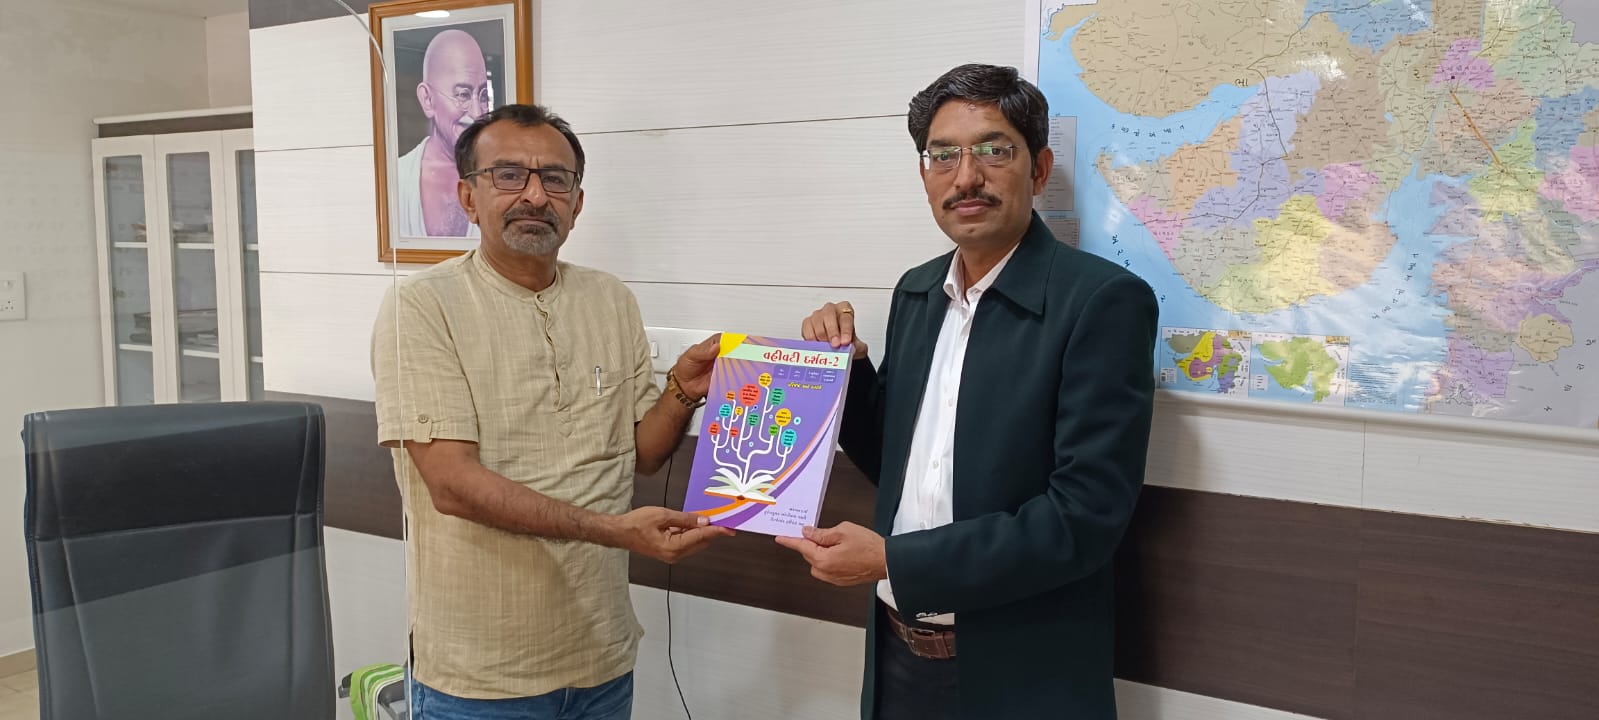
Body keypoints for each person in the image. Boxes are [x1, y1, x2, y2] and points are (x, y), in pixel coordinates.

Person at [777, 64, 1159, 719]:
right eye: (943, 155)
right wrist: (846, 370)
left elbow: (1084, 518)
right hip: (897, 653)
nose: (966, 177)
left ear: (1038, 170)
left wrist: (894, 561)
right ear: (924, 173)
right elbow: (896, 459)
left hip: (1022, 667)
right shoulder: (917, 290)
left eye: (993, 151)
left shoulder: (1101, 301)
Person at [371, 103, 734, 720]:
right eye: (509, 175)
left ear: (577, 202)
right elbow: (452, 486)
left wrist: (682, 388)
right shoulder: (423, 308)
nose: (535, 196)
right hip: (481, 676)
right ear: (468, 197)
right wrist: (615, 531)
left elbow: (642, 453)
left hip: (602, 657)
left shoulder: (609, 298)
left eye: (555, 179)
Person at [396, 29, 488, 238]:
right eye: (463, 94)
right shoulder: (398, 180)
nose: (477, 113)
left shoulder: (500, 179)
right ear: (427, 100)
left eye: (483, 96)